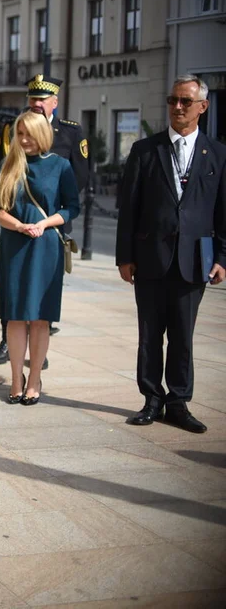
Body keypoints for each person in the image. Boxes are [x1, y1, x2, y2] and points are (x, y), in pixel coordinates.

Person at [116, 75, 226, 433]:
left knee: (183, 335)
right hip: (149, 258)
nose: (177, 107)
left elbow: (223, 212)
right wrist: (124, 256)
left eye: (185, 101)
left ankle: (178, 402)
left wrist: (222, 257)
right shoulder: (145, 150)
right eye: (172, 100)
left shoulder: (218, 154)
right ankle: (151, 399)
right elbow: (128, 208)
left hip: (195, 260)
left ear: (202, 107)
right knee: (150, 334)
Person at [0, 75, 88, 364]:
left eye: (42, 100)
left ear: (54, 102)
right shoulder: (12, 129)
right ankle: (9, 342)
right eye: (33, 99)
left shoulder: (70, 132)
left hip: (51, 221)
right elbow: (2, 172)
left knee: (40, 291)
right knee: (15, 287)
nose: (37, 104)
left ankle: (37, 348)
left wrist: (51, 212)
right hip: (18, 219)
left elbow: (79, 176)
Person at [0, 110, 80, 405]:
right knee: (15, 317)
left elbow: (72, 208)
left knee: (40, 318)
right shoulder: (8, 164)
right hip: (14, 247)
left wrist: (44, 223)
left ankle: (35, 377)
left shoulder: (61, 166)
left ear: (42, 134)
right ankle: (16, 379)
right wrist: (18, 225)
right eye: (20, 133)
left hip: (46, 248)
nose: (24, 139)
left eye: (30, 133)